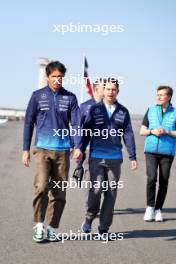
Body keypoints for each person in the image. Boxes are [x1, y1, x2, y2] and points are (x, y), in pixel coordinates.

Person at [22, 61, 82, 242]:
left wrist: (78, 146)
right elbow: (28, 123)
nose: (57, 80)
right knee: (41, 186)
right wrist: (25, 149)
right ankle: (39, 225)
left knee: (59, 192)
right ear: (47, 77)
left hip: (63, 151)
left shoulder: (70, 98)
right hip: (42, 150)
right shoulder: (37, 96)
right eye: (54, 76)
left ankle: (52, 227)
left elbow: (77, 124)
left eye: (60, 77)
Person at [80, 78, 137, 235]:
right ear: (103, 91)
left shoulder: (123, 111)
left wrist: (133, 157)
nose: (111, 92)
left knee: (111, 193)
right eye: (108, 89)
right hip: (96, 157)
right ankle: (89, 217)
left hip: (114, 158)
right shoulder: (94, 109)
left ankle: (104, 227)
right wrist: (80, 149)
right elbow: (86, 132)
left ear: (117, 91)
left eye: (114, 89)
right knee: (95, 190)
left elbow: (128, 134)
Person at [140, 85, 176, 222]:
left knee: (164, 181)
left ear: (169, 96)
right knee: (151, 178)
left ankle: (158, 209)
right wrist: (152, 131)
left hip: (167, 152)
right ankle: (149, 207)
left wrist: (167, 132)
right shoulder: (150, 110)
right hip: (151, 151)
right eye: (157, 94)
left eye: (162, 94)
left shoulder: (175, 113)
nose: (159, 97)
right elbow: (142, 131)